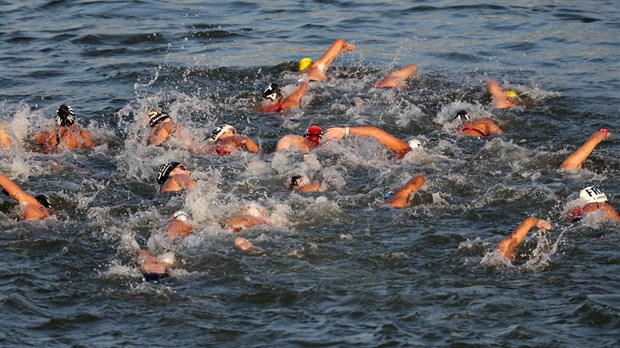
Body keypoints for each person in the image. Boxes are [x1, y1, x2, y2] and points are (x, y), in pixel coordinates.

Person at [324, 125, 412, 158]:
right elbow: (375, 132)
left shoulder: (405, 149)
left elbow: (375, 132)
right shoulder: (404, 152)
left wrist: (345, 131)